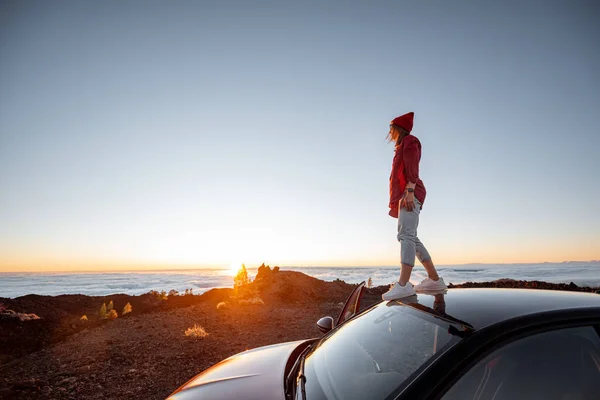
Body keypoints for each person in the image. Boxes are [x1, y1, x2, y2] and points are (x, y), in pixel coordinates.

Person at [382, 112, 447, 300]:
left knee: (406, 235)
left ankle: (403, 284)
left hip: (410, 193)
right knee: (411, 237)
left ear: (398, 129)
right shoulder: (403, 144)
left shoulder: (410, 141)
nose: (390, 133)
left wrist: (409, 190)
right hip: (407, 194)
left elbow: (412, 166)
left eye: (391, 129)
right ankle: (434, 279)